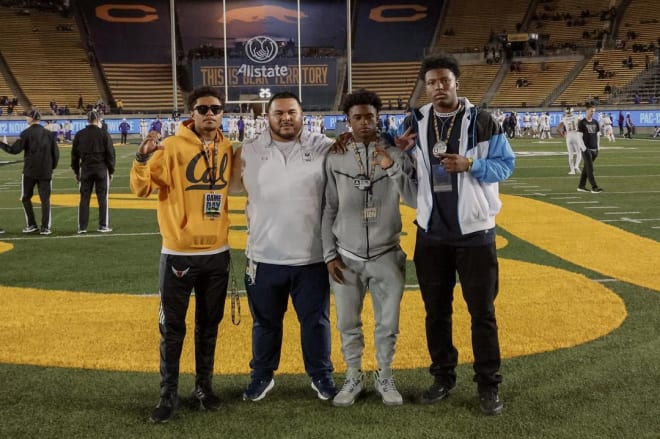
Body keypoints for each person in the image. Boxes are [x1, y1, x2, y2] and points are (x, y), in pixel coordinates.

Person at [401, 53, 515, 415]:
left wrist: (472, 164)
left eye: (444, 81)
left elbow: (506, 165)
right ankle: (443, 377)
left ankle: (488, 383)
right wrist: (397, 151)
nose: (438, 87)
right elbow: (397, 155)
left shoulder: (482, 121)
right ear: (425, 86)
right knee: (436, 312)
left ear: (456, 83)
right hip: (431, 232)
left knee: (482, 312)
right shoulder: (415, 120)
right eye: (432, 82)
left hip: (475, 233)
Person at [129, 86, 234, 423]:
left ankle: (204, 388)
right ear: (192, 113)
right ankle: (167, 394)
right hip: (178, 253)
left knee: (209, 326)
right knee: (172, 330)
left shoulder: (228, 147)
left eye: (215, 108)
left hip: (217, 253)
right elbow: (142, 189)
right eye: (202, 108)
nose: (209, 114)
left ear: (222, 113)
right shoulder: (171, 147)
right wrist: (142, 158)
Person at [233, 92, 338, 402]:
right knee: (265, 323)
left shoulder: (324, 147)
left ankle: (321, 375)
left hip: (312, 256)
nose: (286, 117)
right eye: (279, 113)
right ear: (267, 116)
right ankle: (261, 376)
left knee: (316, 322)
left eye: (291, 111)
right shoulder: (248, 151)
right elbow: (224, 186)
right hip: (264, 256)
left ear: (302, 114)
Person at [321, 89, 416, 407]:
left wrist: (391, 165)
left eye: (370, 117)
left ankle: (385, 374)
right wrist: (329, 254)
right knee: (347, 322)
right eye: (357, 117)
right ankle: (353, 375)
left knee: (388, 322)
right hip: (346, 255)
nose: (364, 123)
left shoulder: (399, 152)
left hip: (387, 252)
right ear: (347, 121)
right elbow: (329, 207)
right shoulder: (334, 155)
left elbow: (415, 199)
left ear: (379, 119)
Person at [0, 110, 59, 235]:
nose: (26, 118)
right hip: (45, 171)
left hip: (29, 171)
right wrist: (51, 168)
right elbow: (56, 153)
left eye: (27, 116)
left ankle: (31, 224)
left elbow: (14, 150)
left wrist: (1, 144)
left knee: (26, 198)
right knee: (45, 200)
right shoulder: (48, 134)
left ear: (32, 118)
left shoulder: (26, 133)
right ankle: (45, 227)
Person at [71, 110, 116, 233]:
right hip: (101, 168)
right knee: (102, 198)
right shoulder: (103, 134)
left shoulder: (80, 134)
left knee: (84, 198)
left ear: (87, 120)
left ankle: (82, 227)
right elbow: (110, 154)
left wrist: (76, 171)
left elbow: (74, 155)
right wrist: (111, 171)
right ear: (98, 119)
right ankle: (103, 225)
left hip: (85, 169)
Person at [576, 103, 603, 193]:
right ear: (586, 111)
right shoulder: (582, 122)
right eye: (591, 111)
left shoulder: (596, 122)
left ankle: (581, 186)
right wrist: (584, 149)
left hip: (594, 149)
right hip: (587, 149)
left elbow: (598, 135)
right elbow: (579, 137)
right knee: (590, 169)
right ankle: (594, 187)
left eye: (594, 111)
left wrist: (598, 147)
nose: (592, 113)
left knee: (586, 168)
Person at [557, 107, 584, 175]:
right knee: (579, 152)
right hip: (576, 135)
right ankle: (576, 166)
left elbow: (558, 129)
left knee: (570, 154)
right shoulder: (576, 117)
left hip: (568, 136)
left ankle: (572, 171)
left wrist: (562, 135)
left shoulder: (564, 118)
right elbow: (583, 125)